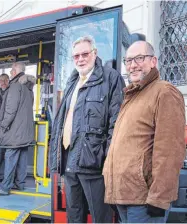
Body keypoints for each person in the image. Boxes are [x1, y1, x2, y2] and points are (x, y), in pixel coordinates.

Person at [103, 41, 186, 223]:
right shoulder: (132, 95)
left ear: (153, 61)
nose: (133, 65)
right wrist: (112, 189)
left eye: (139, 58)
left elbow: (170, 150)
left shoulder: (164, 92)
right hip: (125, 195)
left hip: (145, 199)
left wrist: (159, 197)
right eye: (129, 60)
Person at [48, 35, 126, 223]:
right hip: (69, 159)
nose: (80, 59)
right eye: (76, 56)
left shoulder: (110, 78)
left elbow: (116, 123)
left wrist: (105, 158)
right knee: (74, 215)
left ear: (94, 53)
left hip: (93, 163)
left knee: (101, 216)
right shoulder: (73, 81)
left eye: (85, 54)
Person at [0, 62, 36, 195]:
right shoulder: (28, 88)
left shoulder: (15, 86)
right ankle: (19, 184)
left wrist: (3, 125)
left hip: (15, 130)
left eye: (11, 70)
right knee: (22, 156)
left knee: (10, 156)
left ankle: (5, 187)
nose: (10, 73)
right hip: (25, 131)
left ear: (16, 71)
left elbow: (11, 109)